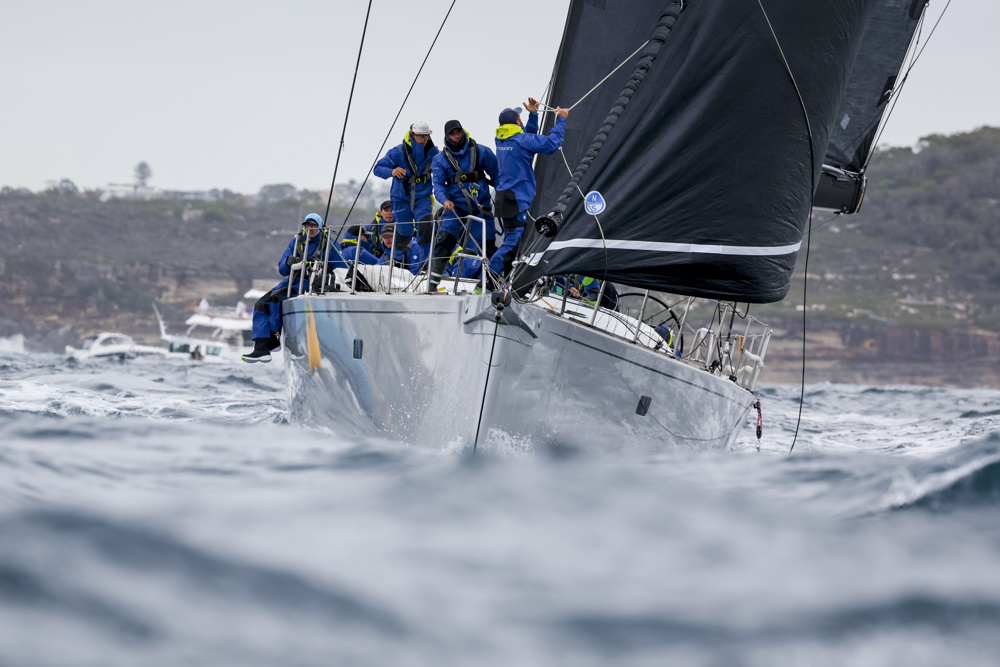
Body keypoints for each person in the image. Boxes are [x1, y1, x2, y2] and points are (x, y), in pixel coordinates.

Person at [493, 98, 568, 277]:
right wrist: (561, 119)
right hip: (516, 199)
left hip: (503, 197)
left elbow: (528, 138)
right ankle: (488, 276)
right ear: (518, 121)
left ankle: (503, 280)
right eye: (520, 117)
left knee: (514, 239)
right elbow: (551, 145)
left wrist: (533, 114)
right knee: (512, 240)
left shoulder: (501, 139)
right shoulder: (521, 140)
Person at [427, 119, 501, 292]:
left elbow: (497, 175)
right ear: (446, 136)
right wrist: (444, 200)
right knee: (444, 241)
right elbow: (437, 185)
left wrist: (503, 197)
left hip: (480, 207)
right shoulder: (439, 160)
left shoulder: (482, 151)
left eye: (458, 132)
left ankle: (493, 283)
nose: (457, 136)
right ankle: (432, 285)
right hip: (455, 208)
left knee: (487, 247)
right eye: (452, 133)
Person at [243, 213, 326, 363]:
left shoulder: (329, 244)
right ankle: (261, 349)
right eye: (308, 225)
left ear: (320, 227)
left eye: (314, 225)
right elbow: (282, 269)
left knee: (276, 299)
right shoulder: (296, 241)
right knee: (260, 304)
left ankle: (275, 338)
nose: (310, 228)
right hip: (292, 281)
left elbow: (338, 266)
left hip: (310, 283)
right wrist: (289, 262)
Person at [373, 121, 439, 249]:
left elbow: (445, 167)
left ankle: (424, 260)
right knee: (405, 232)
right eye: (420, 136)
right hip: (401, 198)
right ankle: (397, 260)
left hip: (422, 197)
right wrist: (392, 171)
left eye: (426, 136)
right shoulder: (397, 152)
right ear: (412, 135)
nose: (424, 139)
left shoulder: (434, 153)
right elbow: (378, 168)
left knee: (426, 226)